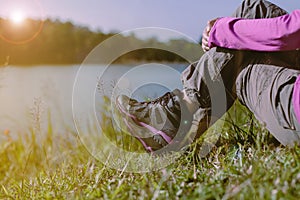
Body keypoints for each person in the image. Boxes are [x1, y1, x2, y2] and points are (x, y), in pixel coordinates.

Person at [116, 0, 300, 154]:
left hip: (293, 114)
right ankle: (180, 115)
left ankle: (178, 116)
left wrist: (219, 30)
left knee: (240, 62)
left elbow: (289, 32)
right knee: (255, 8)